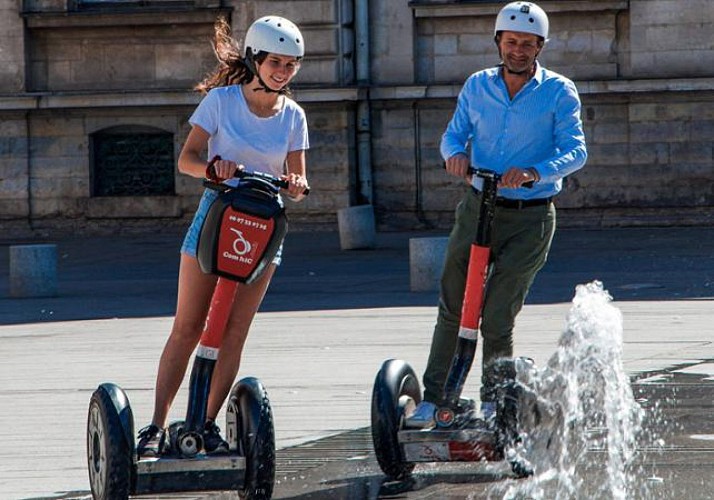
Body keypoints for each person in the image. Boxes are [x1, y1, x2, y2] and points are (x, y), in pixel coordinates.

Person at [406, 1, 587, 428]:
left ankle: (493, 402)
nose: (518, 50)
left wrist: (534, 172)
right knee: (454, 303)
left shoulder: (559, 91)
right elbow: (453, 135)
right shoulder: (477, 86)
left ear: (540, 46)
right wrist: (453, 156)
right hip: (478, 206)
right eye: (511, 42)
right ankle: (435, 399)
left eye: (527, 43)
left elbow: (577, 150)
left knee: (499, 312)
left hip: (531, 215)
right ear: (498, 42)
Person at [137, 15, 310, 456]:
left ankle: (206, 424)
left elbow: (299, 181)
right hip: (216, 216)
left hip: (263, 228)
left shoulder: (294, 116)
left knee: (233, 332)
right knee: (189, 326)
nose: (283, 72)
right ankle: (156, 426)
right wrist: (214, 169)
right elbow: (188, 160)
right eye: (276, 62)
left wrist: (295, 185)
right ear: (255, 59)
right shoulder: (221, 101)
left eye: (291, 65)